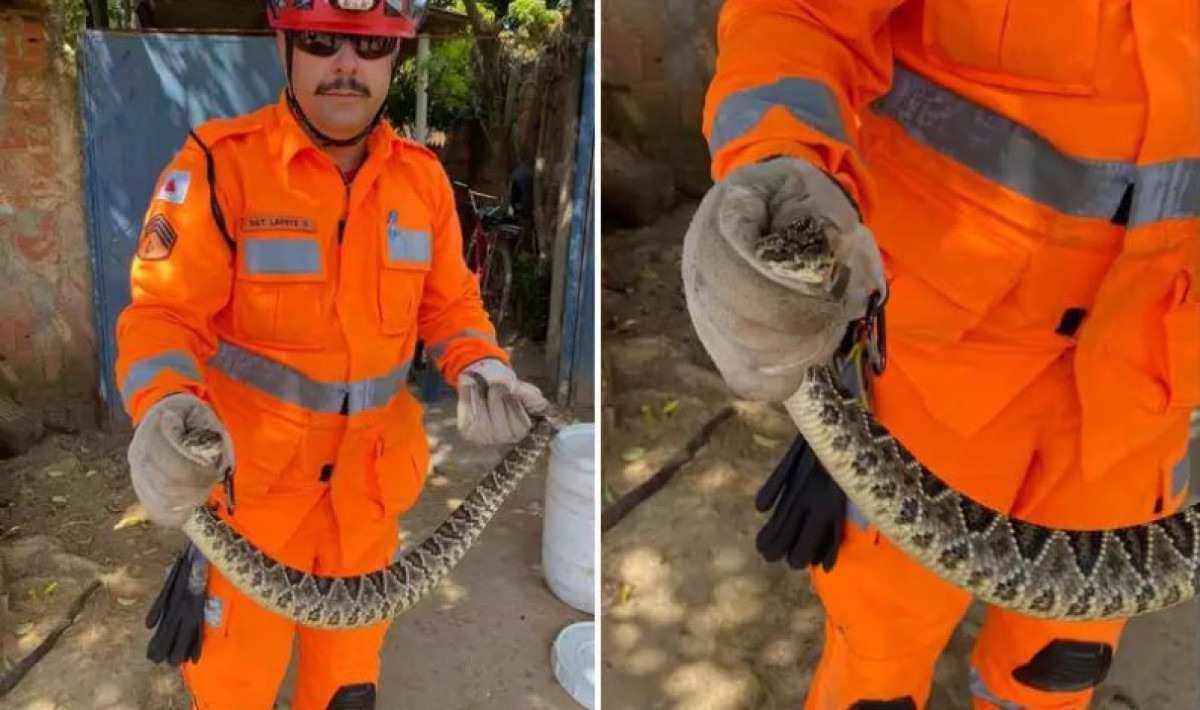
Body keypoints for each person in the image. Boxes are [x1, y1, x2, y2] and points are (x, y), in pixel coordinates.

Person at [683, 2, 1199, 708]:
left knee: (1059, 666)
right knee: (877, 661)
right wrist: (780, 162)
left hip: (1151, 385)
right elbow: (798, 14)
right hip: (932, 367)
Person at [115, 1, 547, 707]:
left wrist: (480, 364)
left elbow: (449, 306)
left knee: (347, 692)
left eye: (370, 48)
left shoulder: (422, 180)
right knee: (232, 691)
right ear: (285, 44)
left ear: (396, 60)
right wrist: (163, 404)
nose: (346, 66)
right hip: (248, 502)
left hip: (366, 504)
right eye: (323, 42)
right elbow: (163, 314)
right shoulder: (221, 167)